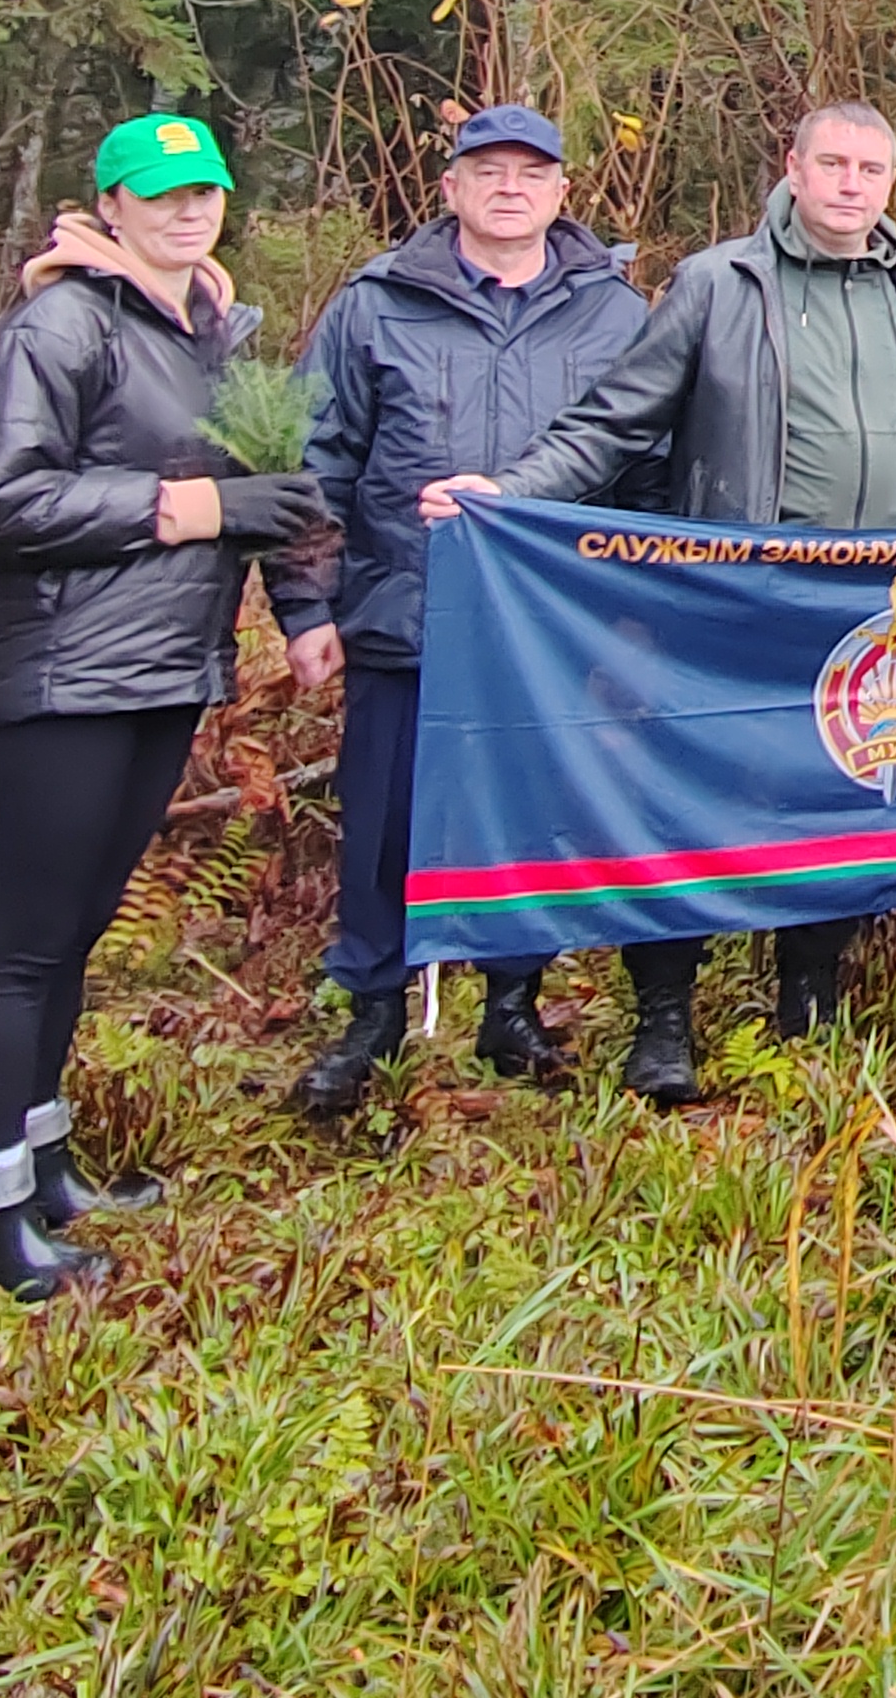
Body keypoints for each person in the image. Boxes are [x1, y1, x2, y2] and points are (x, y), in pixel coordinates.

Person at [422, 100, 896, 1100]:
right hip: (737, 592)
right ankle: (664, 1019)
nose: (851, 185)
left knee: (839, 797)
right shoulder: (721, 285)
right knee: (691, 805)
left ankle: (810, 992)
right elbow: (617, 418)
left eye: (871, 169)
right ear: (793, 168)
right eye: (832, 163)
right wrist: (513, 492)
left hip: (866, 603)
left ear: (892, 182)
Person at [0, 113, 325, 1298]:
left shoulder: (211, 333)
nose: (185, 210)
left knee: (76, 935)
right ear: (108, 206)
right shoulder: (58, 324)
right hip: (59, 679)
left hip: (164, 672)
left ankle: (47, 1169)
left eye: (202, 189)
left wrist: (300, 604)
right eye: (159, 194)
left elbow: (263, 486)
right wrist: (195, 511)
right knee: (23, 946)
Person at [277, 105, 650, 1115]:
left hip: (546, 631)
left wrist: (629, 611)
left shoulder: (614, 313)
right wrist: (305, 606)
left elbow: (645, 466)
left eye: (532, 173)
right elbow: (317, 464)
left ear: (562, 193)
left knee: (526, 815)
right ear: (449, 189)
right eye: (487, 172)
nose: (509, 189)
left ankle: (513, 1003)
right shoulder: (377, 304)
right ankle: (373, 1012)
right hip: (407, 612)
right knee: (387, 823)